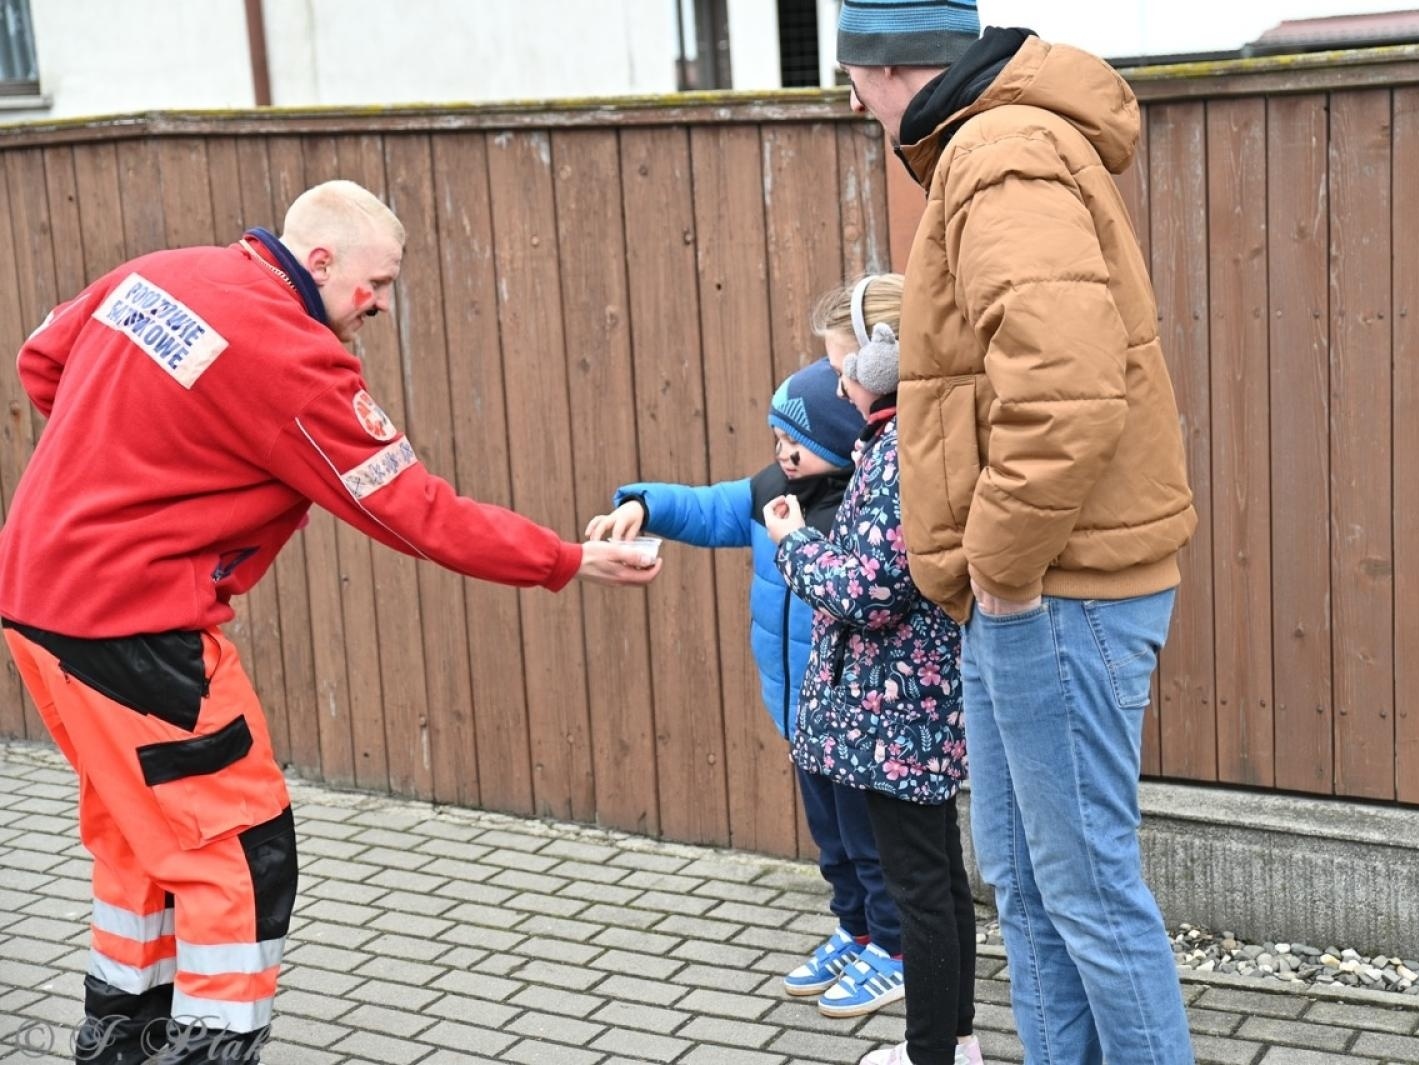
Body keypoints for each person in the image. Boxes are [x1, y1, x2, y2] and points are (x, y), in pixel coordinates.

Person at [0, 179, 659, 1065]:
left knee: (139, 837)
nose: (380, 304)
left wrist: (128, 468)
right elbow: (412, 510)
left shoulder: (154, 274)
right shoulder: (291, 355)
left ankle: (116, 1045)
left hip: (35, 604)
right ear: (318, 263)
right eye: (374, 284)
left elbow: (42, 361)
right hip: (138, 629)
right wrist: (567, 559)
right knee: (240, 855)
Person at [834, 4, 1200, 1064]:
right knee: (1033, 890)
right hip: (1035, 591)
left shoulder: (998, 153)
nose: (854, 103)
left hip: (1053, 590)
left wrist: (997, 571)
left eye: (851, 78)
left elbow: (1065, 391)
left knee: (1082, 892)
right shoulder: (989, 145)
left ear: (884, 64)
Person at [585, 361, 911, 1019]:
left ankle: (897, 950)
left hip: (856, 719)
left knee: (870, 842)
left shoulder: (864, 506)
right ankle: (857, 931)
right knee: (832, 840)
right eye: (776, 436)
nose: (784, 452)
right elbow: (708, 508)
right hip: (800, 713)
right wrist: (642, 503)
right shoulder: (771, 492)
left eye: (800, 440)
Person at [764, 274, 979, 1065]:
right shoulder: (905, 439)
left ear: (888, 360)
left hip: (898, 714)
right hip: (912, 709)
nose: (840, 384)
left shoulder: (898, 454)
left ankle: (932, 1056)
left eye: (845, 365)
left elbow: (872, 592)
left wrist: (794, 544)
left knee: (922, 895)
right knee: (942, 884)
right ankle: (956, 1045)